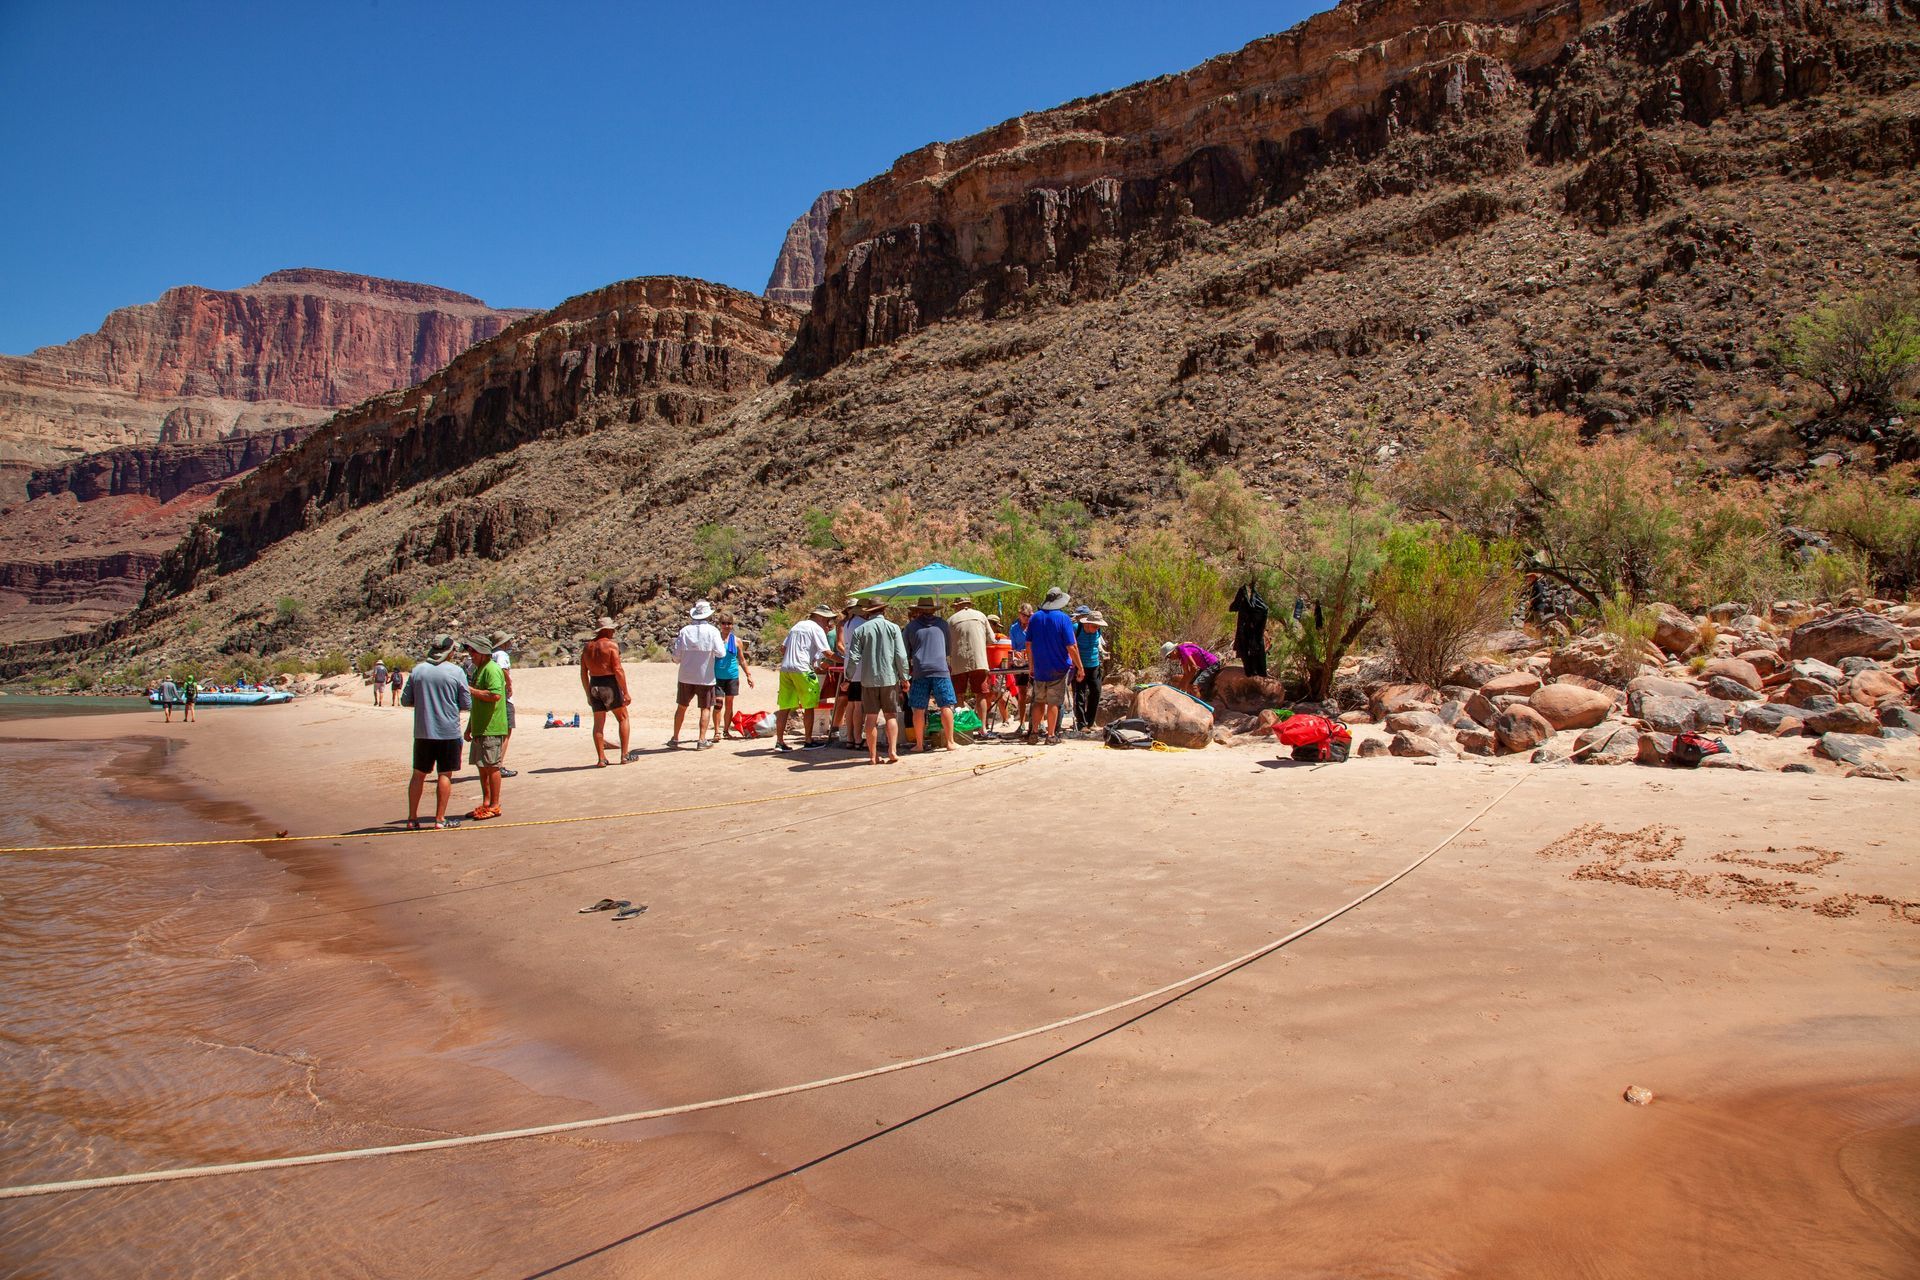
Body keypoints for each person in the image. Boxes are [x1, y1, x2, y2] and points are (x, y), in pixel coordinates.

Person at [401, 635, 471, 830]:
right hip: (448, 731)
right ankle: (439, 819)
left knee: (418, 774)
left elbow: (405, 700)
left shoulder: (418, 671)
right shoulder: (456, 672)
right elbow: (466, 704)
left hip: (423, 731)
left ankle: (412, 818)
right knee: (445, 774)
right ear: (450, 652)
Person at [849, 598, 907, 764]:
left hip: (868, 679)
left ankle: (872, 755)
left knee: (871, 717)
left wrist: (848, 677)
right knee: (891, 715)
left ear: (868, 613)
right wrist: (904, 677)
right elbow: (901, 656)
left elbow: (853, 657)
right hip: (889, 678)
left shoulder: (860, 630)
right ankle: (892, 751)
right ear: (884, 611)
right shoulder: (893, 628)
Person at [1023, 587, 1082, 745]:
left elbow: (1028, 644)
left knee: (1038, 702)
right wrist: (1080, 667)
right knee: (1054, 703)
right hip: (1058, 668)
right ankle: (1050, 736)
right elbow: (1071, 646)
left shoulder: (1034, 619)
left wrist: (1031, 666)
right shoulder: (1063, 619)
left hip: (1040, 669)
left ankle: (1034, 733)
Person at [901, 596, 958, 753]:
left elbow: (905, 652)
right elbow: (947, 649)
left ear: (918, 610)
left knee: (918, 708)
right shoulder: (943, 624)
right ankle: (950, 742)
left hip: (920, 670)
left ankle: (919, 744)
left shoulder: (910, 627)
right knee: (946, 704)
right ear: (933, 610)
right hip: (940, 669)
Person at [775, 604, 835, 751]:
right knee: (809, 706)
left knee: (785, 706)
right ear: (821, 617)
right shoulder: (816, 629)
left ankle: (780, 741)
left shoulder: (797, 626)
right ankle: (808, 740)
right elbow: (827, 653)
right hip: (802, 669)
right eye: (827, 620)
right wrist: (845, 660)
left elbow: (783, 648)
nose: (828, 624)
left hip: (786, 669)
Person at [670, 600, 727, 749]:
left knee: (681, 706)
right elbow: (721, 652)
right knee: (705, 708)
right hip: (705, 676)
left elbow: (676, 656)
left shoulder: (684, 631)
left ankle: (675, 738)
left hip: (685, 676)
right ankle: (701, 740)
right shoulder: (713, 631)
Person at [463, 636, 508, 820]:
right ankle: (486, 803)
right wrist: (469, 727)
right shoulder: (479, 670)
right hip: (480, 727)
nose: (470, 655)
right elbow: (476, 703)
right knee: (482, 768)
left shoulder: (491, 669)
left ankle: (495, 805)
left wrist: (471, 690)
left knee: (492, 767)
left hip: (492, 727)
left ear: (482, 652)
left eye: (473, 651)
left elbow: (495, 695)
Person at [580, 617, 631, 767]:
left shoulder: (587, 647)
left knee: (598, 724)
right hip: (609, 684)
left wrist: (588, 693)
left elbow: (583, 672)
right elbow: (618, 669)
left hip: (594, 684)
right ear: (606, 630)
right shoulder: (610, 645)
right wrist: (625, 691)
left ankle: (601, 758)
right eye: (612, 629)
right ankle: (624, 755)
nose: (614, 631)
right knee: (623, 718)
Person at [830, 598, 868, 749]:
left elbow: (843, 644)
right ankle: (857, 738)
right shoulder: (859, 624)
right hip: (859, 667)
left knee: (851, 703)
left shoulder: (847, 624)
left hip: (850, 667)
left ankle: (851, 737)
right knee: (858, 704)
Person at [712, 612, 756, 739]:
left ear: (732, 625)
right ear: (720, 625)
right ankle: (717, 731)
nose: (726, 626)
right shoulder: (715, 639)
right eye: (724, 623)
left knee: (729, 704)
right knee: (718, 704)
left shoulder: (736, 641)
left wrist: (748, 675)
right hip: (717, 676)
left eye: (729, 623)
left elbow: (741, 659)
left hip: (732, 675)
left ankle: (726, 730)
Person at [485, 632, 518, 777]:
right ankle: (499, 765)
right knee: (506, 731)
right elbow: (503, 670)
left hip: (494, 695)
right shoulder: (502, 655)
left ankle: (493, 763)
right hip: (503, 696)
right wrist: (509, 685)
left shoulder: (490, 655)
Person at [1073, 611, 1109, 735]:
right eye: (1095, 626)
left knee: (1096, 691)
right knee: (1080, 694)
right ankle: (1081, 723)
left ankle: (1090, 721)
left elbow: (1097, 645)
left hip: (1094, 665)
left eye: (1098, 626)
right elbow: (1070, 646)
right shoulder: (1076, 629)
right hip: (1079, 666)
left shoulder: (1098, 631)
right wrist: (1077, 666)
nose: (1097, 628)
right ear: (1088, 624)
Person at [1006, 602, 1035, 738]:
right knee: (1022, 692)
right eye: (1024, 616)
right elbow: (1012, 647)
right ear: (1020, 615)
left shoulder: (1034, 626)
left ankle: (1038, 722)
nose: (1027, 618)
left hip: (1034, 661)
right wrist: (1016, 654)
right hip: (1020, 663)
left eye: (1029, 616)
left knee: (1037, 692)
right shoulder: (1014, 628)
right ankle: (1022, 722)